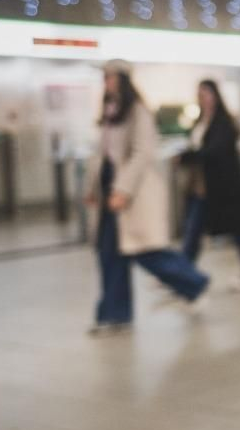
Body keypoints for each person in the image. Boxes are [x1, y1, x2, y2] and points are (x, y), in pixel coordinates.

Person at [84, 59, 209, 334]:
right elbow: (102, 156)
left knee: (146, 251)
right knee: (110, 254)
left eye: (110, 76)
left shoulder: (138, 111)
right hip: (110, 191)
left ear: (123, 79)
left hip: (132, 195)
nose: (105, 81)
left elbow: (142, 153)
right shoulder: (109, 112)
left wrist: (123, 190)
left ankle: (194, 282)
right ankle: (114, 315)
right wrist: (93, 188)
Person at [179, 79, 240, 290]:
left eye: (207, 93)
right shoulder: (199, 121)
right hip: (202, 187)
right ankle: (181, 274)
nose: (203, 98)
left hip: (225, 187)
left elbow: (216, 150)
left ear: (215, 95)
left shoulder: (224, 122)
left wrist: (192, 156)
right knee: (193, 231)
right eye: (200, 94)